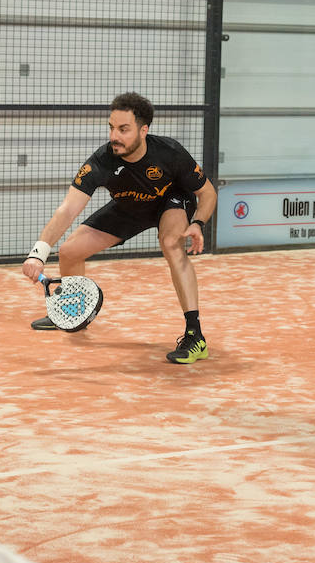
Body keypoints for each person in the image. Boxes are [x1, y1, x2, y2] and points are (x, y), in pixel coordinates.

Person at [21, 92, 216, 364]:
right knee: (70, 251)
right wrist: (38, 253)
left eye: (123, 129)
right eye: (112, 127)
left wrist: (197, 223)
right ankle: (75, 312)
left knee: (172, 244)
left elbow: (207, 193)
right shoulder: (102, 161)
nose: (115, 136)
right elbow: (67, 209)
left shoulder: (170, 153)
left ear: (143, 130)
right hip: (130, 207)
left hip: (170, 202)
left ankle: (195, 336)